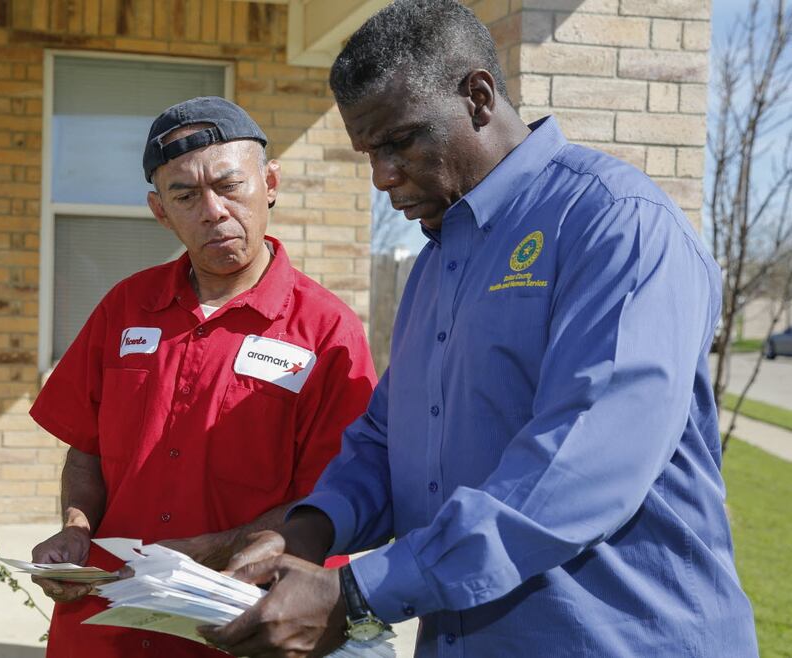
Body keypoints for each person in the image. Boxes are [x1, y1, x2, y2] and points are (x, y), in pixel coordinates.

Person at [198, 2, 760, 657]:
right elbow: (389, 438)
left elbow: (577, 467)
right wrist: (312, 529)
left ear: (478, 96)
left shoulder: (615, 226)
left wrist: (358, 594)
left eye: (400, 140)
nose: (382, 176)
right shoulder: (438, 259)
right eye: (368, 153)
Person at [28, 96, 376, 657]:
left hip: (233, 628)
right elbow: (86, 452)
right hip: (104, 624)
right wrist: (76, 528)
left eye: (230, 185)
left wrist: (209, 550)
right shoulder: (125, 308)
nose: (212, 210)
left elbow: (333, 497)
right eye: (185, 196)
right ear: (159, 210)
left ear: (271, 184)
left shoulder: (327, 332)